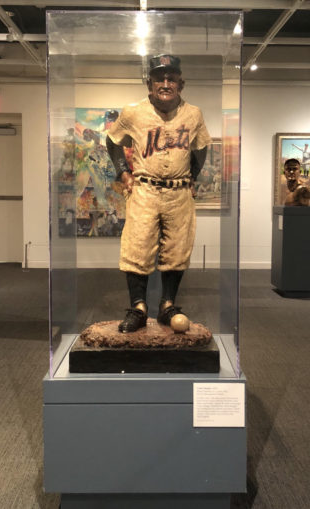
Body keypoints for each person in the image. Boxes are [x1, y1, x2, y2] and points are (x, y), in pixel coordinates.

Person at [106, 54, 211, 333]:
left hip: (179, 192)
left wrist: (193, 176)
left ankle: (167, 305)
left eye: (171, 78)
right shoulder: (133, 112)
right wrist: (123, 173)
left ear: (181, 84)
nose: (165, 83)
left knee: (177, 249)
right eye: (159, 78)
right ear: (149, 84)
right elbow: (113, 140)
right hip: (145, 189)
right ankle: (138, 308)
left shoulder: (193, 114)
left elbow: (201, 146)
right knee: (137, 247)